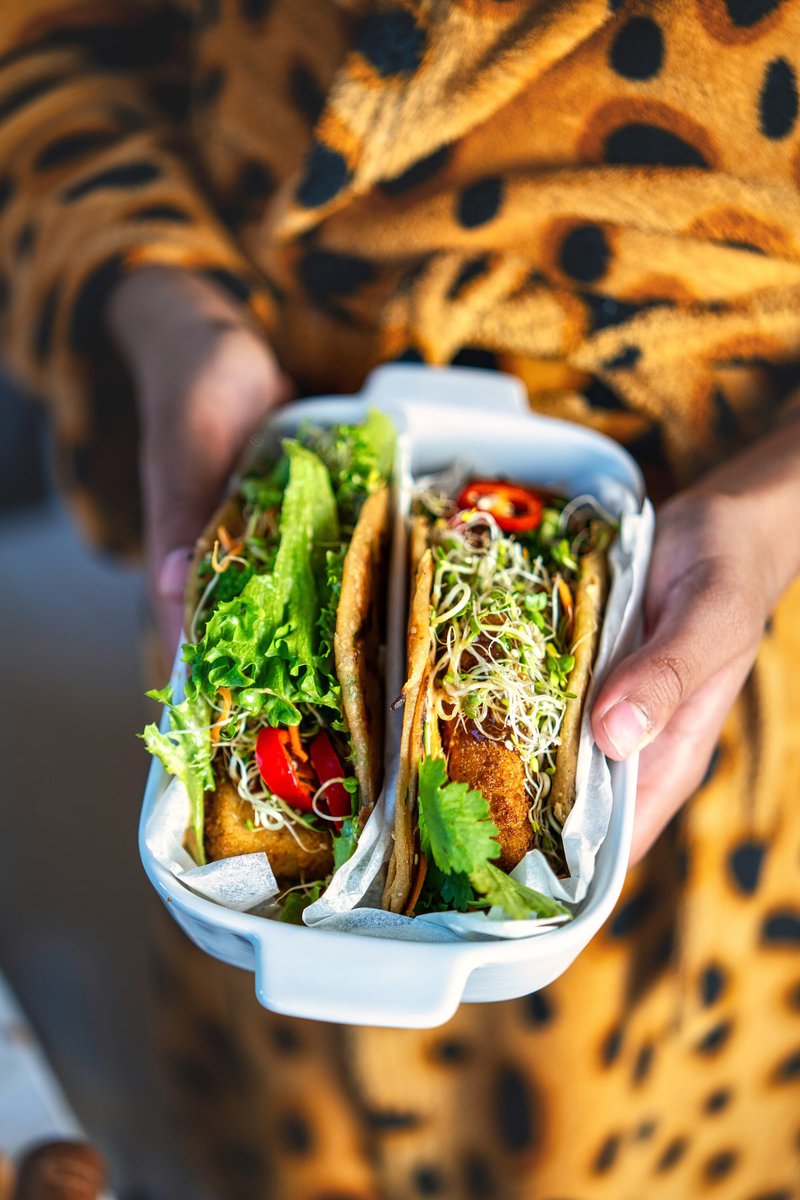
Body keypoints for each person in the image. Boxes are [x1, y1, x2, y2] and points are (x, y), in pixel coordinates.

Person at [2, 1, 800, 1196]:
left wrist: (772, 507)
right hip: (263, 402)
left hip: (721, 648)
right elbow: (41, 47)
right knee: (281, 1118)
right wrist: (170, 314)